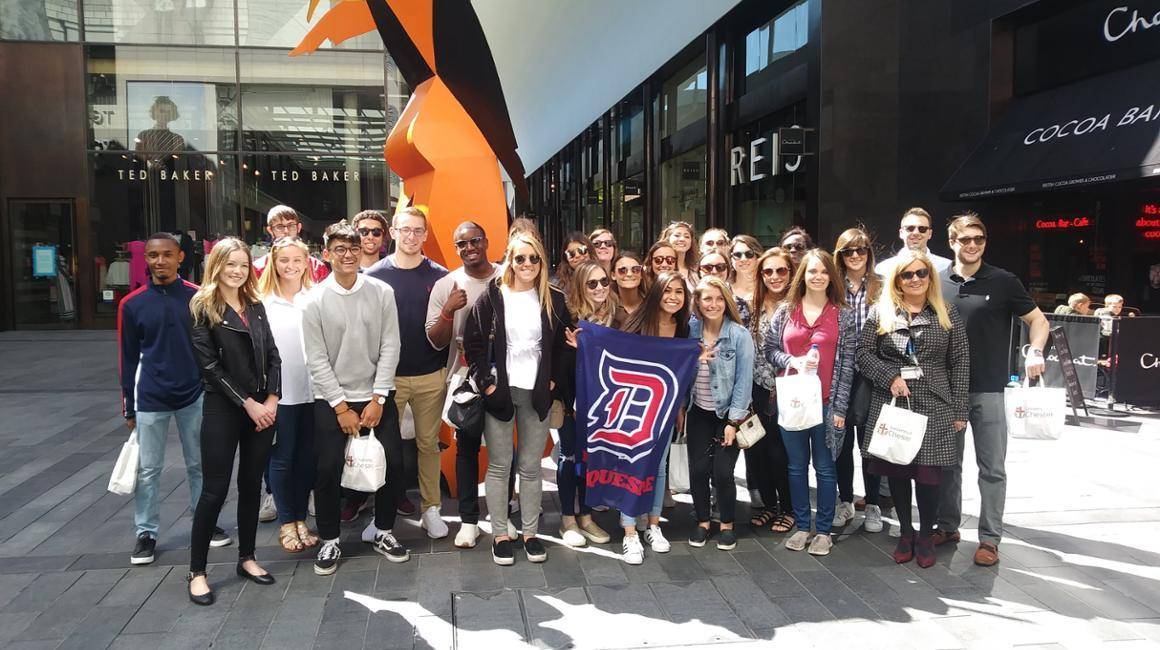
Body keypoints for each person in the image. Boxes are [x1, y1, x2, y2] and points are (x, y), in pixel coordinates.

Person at [939, 212, 1048, 567]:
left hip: (988, 390)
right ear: (952, 242)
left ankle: (989, 539)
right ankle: (948, 525)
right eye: (964, 239)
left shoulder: (1003, 281)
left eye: (978, 239)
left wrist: (1035, 350)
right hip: (946, 391)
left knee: (992, 468)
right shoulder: (936, 282)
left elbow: (1038, 320)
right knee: (948, 465)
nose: (972, 246)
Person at [303, 221, 408, 575]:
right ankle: (330, 539)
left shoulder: (381, 292)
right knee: (328, 467)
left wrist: (379, 398)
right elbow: (315, 359)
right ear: (326, 253)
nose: (348, 255)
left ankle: (382, 530)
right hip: (331, 400)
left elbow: (390, 344)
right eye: (339, 249)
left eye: (353, 248)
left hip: (377, 393)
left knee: (394, 463)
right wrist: (341, 406)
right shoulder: (313, 300)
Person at [118, 233, 229, 566]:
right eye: (153, 255)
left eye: (167, 255)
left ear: (180, 257)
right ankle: (146, 533)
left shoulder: (198, 297)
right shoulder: (132, 304)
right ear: (146, 259)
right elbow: (128, 357)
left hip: (194, 395)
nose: (160, 261)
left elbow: (213, 348)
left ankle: (204, 522)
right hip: (150, 397)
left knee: (199, 465)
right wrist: (129, 404)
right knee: (148, 470)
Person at [858, 251, 969, 567]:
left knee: (929, 475)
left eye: (921, 273)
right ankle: (905, 532)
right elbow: (864, 354)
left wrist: (960, 410)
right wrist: (889, 375)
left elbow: (960, 361)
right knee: (897, 469)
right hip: (893, 401)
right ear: (897, 280)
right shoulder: (881, 313)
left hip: (935, 403)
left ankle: (926, 536)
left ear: (930, 277)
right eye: (907, 275)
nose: (915, 279)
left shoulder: (946, 312)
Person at [464, 232, 569, 566]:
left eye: (534, 258)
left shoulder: (554, 297)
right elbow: (474, 344)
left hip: (537, 393)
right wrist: (488, 385)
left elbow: (563, 347)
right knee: (499, 464)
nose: (527, 265)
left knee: (530, 467)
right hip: (502, 393)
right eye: (520, 258)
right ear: (509, 259)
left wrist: (552, 382)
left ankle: (530, 534)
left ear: (542, 261)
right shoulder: (493, 295)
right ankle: (500, 534)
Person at [187, 238, 281, 605]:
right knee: (214, 489)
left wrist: (272, 399)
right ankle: (197, 571)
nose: (238, 271)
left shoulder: (255, 305)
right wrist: (249, 404)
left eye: (243, 264)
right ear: (217, 265)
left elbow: (273, 354)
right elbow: (209, 368)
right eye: (231, 264)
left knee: (251, 485)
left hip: (262, 409)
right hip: (224, 409)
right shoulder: (202, 305)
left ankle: (248, 558)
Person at [367, 207, 452, 540]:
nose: (412, 236)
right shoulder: (374, 276)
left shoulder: (441, 277)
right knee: (385, 449)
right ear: (393, 232)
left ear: (426, 235)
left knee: (429, 446)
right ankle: (381, 517)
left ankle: (432, 510)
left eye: (418, 231)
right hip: (388, 378)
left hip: (431, 373)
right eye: (406, 230)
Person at [425, 221, 510, 549]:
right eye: (462, 243)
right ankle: (469, 520)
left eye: (475, 240)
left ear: (486, 241)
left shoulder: (508, 277)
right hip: (464, 378)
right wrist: (448, 311)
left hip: (504, 375)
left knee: (504, 449)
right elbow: (434, 340)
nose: (470, 247)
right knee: (467, 448)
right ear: (456, 247)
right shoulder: (447, 284)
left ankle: (502, 518)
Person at [765, 249, 856, 556]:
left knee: (826, 467)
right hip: (792, 401)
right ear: (802, 274)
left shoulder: (843, 314)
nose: (818, 276)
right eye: (812, 271)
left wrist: (841, 408)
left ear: (832, 276)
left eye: (824, 271)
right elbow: (770, 350)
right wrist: (792, 359)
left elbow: (847, 365)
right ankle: (803, 525)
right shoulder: (785, 310)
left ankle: (825, 530)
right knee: (796, 467)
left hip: (828, 403)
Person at [618, 271, 693, 562]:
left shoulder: (684, 328)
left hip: (667, 407)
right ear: (657, 294)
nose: (673, 297)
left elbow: (683, 372)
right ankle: (629, 532)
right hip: (637, 408)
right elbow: (617, 354)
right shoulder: (638, 323)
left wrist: (681, 406)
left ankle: (653, 524)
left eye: (679, 292)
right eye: (667, 291)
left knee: (660, 466)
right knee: (633, 466)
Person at [258, 237, 319, 554]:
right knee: (282, 458)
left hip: (314, 392)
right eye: (285, 260)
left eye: (297, 260)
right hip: (279, 395)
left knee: (307, 459)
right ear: (274, 262)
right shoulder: (262, 301)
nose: (291, 266)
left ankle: (300, 519)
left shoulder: (315, 297)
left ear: (306, 261)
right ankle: (286, 520)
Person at [685, 277, 755, 552]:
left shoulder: (739, 335)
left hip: (727, 414)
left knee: (723, 472)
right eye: (706, 299)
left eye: (718, 298)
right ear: (698, 303)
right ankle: (703, 520)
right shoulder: (691, 330)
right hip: (698, 410)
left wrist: (733, 422)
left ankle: (726, 523)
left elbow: (744, 380)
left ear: (726, 301)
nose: (713, 304)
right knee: (699, 469)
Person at [557, 262, 615, 548]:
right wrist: (576, 352)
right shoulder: (567, 318)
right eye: (592, 284)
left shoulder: (616, 319)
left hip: (603, 402)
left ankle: (586, 516)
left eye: (603, 281)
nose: (600, 288)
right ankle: (568, 518)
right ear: (580, 286)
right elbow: (558, 363)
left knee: (590, 458)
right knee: (569, 456)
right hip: (571, 402)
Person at [831, 228, 884, 531]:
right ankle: (845, 500)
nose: (854, 256)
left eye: (860, 250)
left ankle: (874, 503)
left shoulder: (882, 285)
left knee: (870, 444)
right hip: (840, 374)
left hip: (872, 374)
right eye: (848, 251)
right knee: (841, 440)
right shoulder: (832, 287)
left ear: (868, 253)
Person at [747, 248, 795, 534]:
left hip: (787, 390)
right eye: (768, 271)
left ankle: (788, 508)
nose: (774, 277)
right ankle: (768, 505)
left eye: (781, 270)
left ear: (790, 273)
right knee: (755, 450)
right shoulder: (751, 307)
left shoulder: (797, 306)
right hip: (754, 389)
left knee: (781, 454)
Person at [252, 205, 330, 283]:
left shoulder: (317, 267)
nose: (286, 231)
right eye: (279, 226)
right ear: (270, 231)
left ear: (299, 228)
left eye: (291, 225)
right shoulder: (257, 269)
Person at [874, 207, 952, 276]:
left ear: (930, 234)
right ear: (901, 233)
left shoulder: (947, 267)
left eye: (922, 229)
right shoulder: (883, 269)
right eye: (910, 228)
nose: (916, 233)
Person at [728, 235, 762, 326]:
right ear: (731, 259)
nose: (743, 259)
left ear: (757, 257)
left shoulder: (767, 287)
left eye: (749, 254)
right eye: (737, 255)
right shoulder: (724, 290)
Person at [611, 251, 646, 326]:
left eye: (636, 269)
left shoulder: (652, 305)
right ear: (613, 275)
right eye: (622, 270)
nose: (629, 274)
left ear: (641, 275)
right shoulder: (605, 305)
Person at [661, 221, 699, 285]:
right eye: (677, 235)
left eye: (686, 236)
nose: (682, 239)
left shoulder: (696, 270)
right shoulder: (661, 266)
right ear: (668, 239)